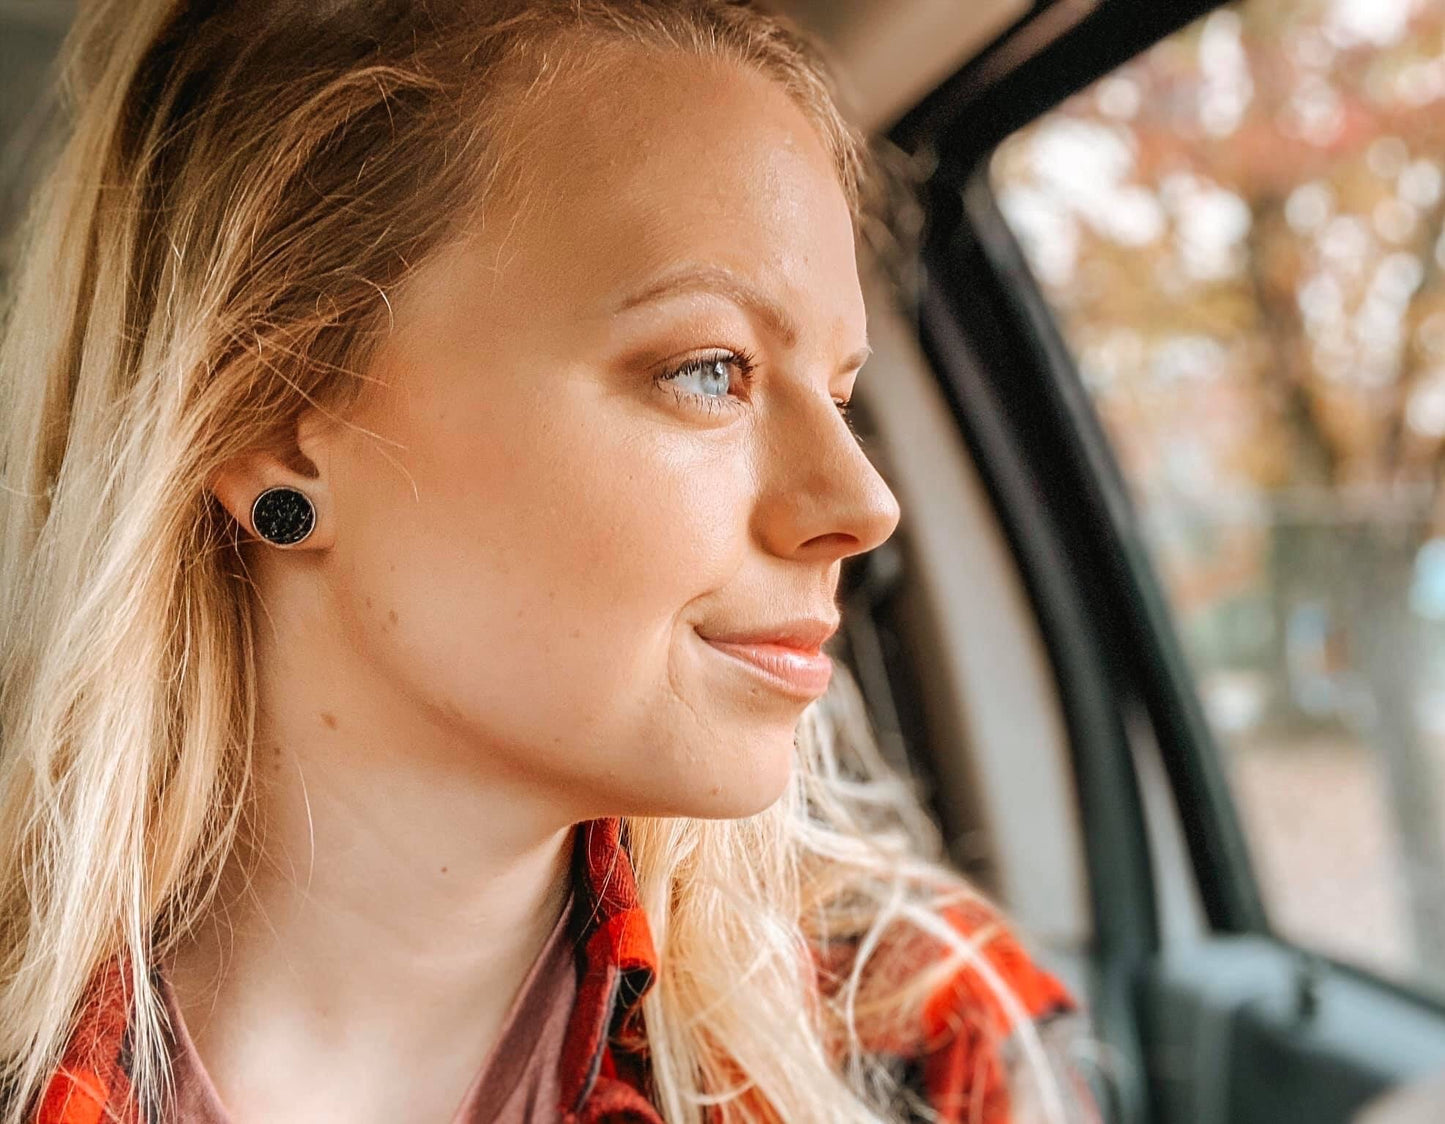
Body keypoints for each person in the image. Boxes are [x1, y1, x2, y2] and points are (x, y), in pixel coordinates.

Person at [0, 1, 1102, 1121]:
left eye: (836, 394)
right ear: (280, 423)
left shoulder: (923, 1046)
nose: (864, 505)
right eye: (708, 369)